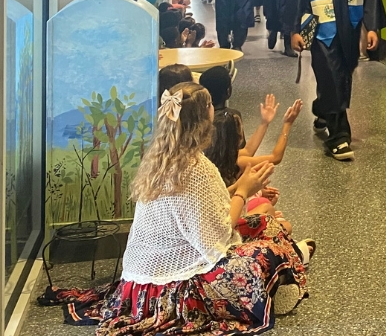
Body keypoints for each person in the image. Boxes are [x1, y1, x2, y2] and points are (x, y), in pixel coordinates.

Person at [97, 83, 309, 336]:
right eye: (210, 106)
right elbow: (215, 241)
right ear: (204, 118)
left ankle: (287, 265)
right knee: (264, 252)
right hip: (175, 286)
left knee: (263, 222)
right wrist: (243, 191)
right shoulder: (195, 168)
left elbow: (200, 209)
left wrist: (243, 187)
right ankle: (285, 267)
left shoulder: (160, 157)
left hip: (137, 285)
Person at [292, 0, 384, 160]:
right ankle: (339, 137)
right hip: (322, 26)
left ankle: (322, 109)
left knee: (343, 74)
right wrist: (294, 29)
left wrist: (372, 26)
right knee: (332, 75)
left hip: (350, 26)